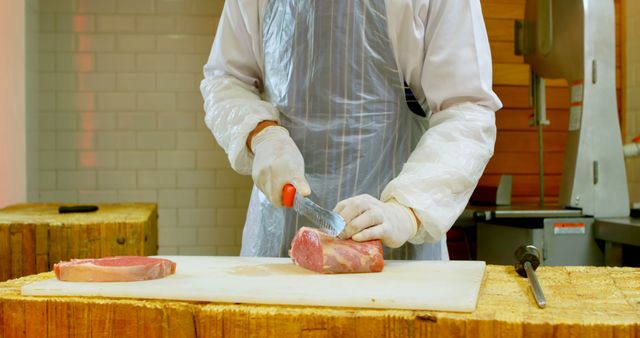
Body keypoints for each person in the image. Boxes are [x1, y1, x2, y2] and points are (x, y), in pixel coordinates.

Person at [200, 0, 502, 260]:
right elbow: (225, 79)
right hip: (277, 237)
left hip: (393, 246)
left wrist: (407, 210)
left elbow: (466, 110)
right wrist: (262, 134)